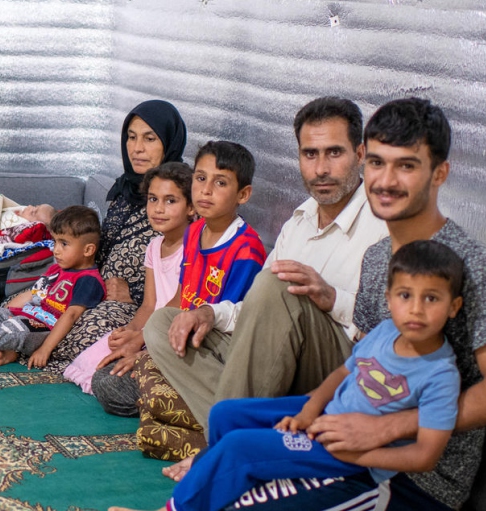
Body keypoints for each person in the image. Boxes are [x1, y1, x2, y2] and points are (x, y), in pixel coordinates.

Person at [223, 98, 486, 511]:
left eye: (406, 165)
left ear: (439, 173)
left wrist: (383, 428)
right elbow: (362, 359)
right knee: (230, 420)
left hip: (412, 476)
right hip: (354, 428)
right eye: (378, 163)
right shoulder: (378, 255)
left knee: (245, 483)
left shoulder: (471, 264)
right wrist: (316, 411)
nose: (385, 181)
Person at [135, 97, 388, 476]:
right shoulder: (298, 222)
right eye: (309, 154)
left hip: (340, 363)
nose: (320, 169)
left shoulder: (383, 225)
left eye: (334, 153)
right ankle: (250, 437)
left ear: (361, 154)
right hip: (277, 361)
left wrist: (331, 298)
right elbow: (255, 306)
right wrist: (208, 313)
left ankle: (220, 451)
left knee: (277, 286)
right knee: (164, 325)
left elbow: (395, 330)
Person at [111, 240, 464, 511]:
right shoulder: (386, 333)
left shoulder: (440, 374)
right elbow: (344, 372)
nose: (416, 309)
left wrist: (356, 456)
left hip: (351, 452)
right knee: (226, 413)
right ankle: (223, 487)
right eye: (406, 296)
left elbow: (424, 457)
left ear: (454, 307)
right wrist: (309, 410)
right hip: (326, 414)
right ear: (389, 299)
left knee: (239, 448)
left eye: (431, 299)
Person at [135, 140, 267, 460]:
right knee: (133, 373)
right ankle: (202, 434)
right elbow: (182, 297)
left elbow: (230, 325)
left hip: (220, 351)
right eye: (200, 178)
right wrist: (142, 339)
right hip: (188, 342)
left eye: (220, 182)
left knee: (143, 382)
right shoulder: (194, 233)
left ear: (243, 195)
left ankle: (227, 433)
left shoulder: (246, 250)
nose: (206, 190)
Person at [38, 100, 187, 374]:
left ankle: (23, 343)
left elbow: (181, 280)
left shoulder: (182, 199)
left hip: (132, 309)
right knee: (33, 299)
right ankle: (17, 335)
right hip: (89, 285)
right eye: (131, 137)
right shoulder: (124, 190)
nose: (137, 148)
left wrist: (134, 295)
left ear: (169, 142)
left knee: (82, 333)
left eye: (149, 138)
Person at [63, 162, 194, 400]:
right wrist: (130, 331)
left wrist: (139, 340)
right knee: (88, 362)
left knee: (111, 379)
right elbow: (148, 305)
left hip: (172, 335)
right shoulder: (154, 246)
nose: (158, 209)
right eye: (153, 199)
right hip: (148, 328)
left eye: (170, 201)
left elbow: (179, 304)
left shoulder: (193, 249)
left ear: (191, 207)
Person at [0, 205, 106, 368]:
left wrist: (45, 349)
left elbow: (71, 315)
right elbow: (33, 293)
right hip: (24, 317)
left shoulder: (88, 280)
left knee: (15, 328)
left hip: (44, 327)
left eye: (64, 244)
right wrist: (6, 312)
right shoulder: (57, 269)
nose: (55, 250)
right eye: (55, 241)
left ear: (88, 250)